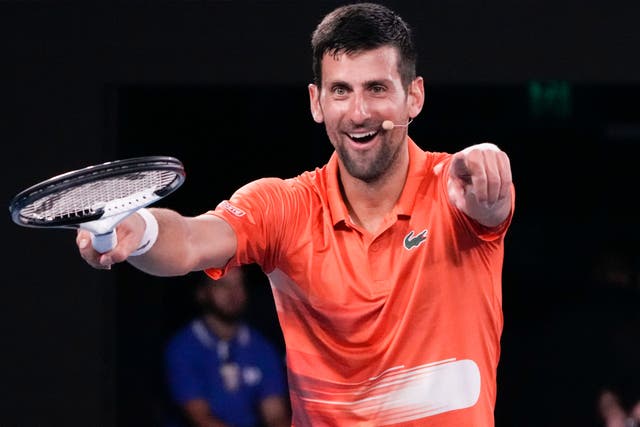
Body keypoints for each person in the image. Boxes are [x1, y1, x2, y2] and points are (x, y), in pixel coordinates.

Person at [78, 3, 515, 425]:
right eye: (341, 90)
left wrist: (487, 166)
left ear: (413, 96)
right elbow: (192, 240)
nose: (358, 113)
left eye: (377, 88)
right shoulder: (284, 207)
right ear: (317, 102)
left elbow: (487, 202)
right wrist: (142, 228)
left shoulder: (455, 190)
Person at [164, 266, 290, 427]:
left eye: (239, 285)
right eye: (223, 285)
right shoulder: (182, 348)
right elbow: (200, 418)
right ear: (202, 293)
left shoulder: (262, 347)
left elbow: (275, 415)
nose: (233, 293)